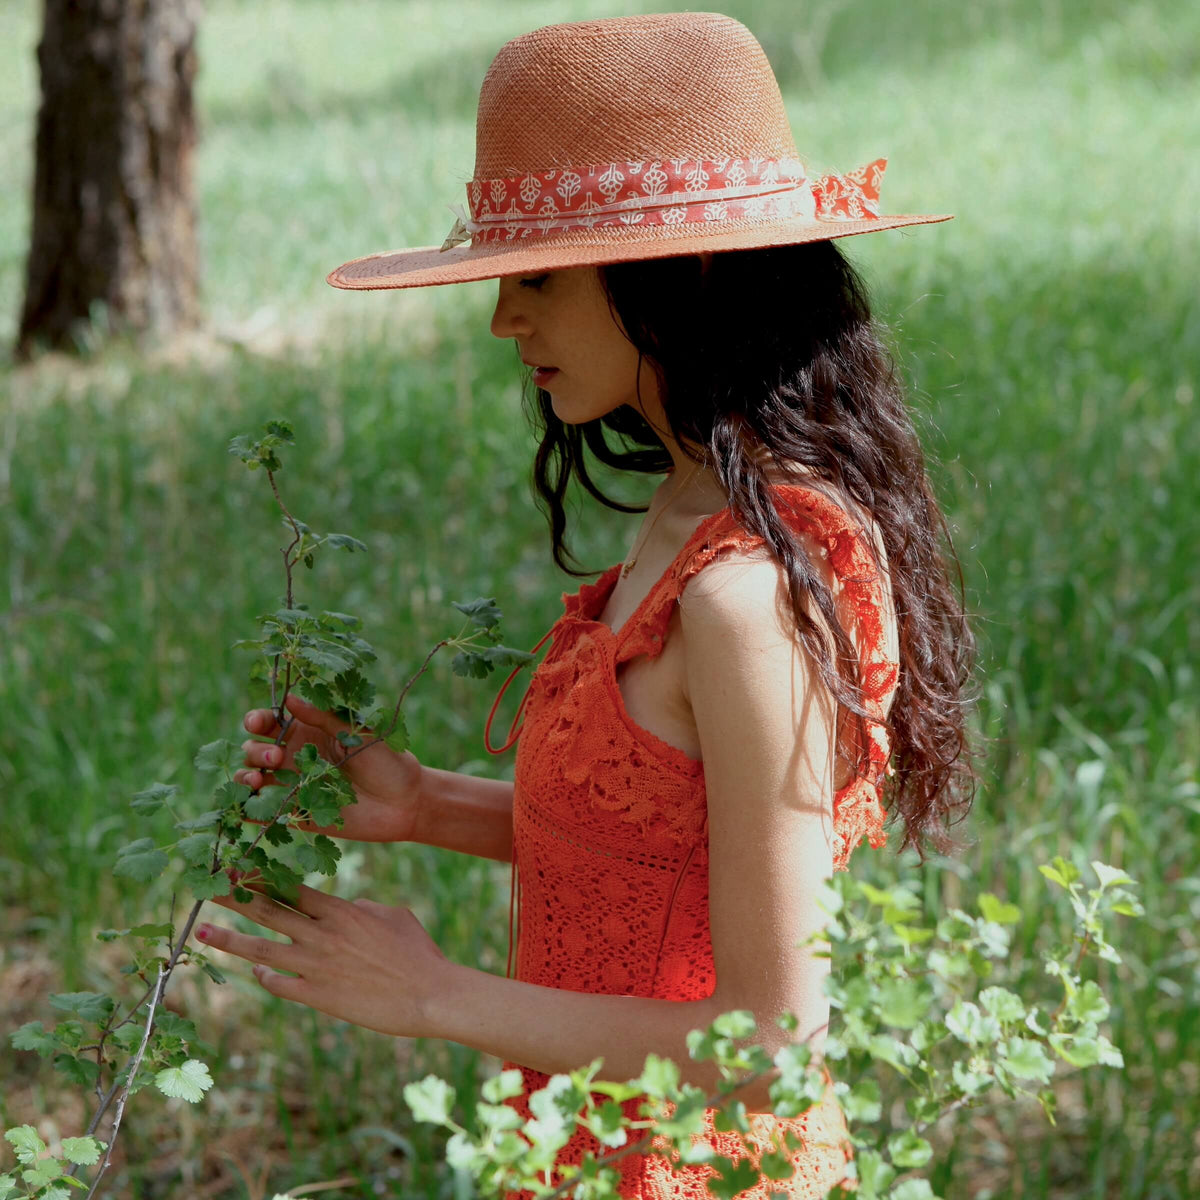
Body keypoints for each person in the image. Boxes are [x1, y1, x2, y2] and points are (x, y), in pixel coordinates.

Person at [196, 12, 975, 1198]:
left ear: (682, 271)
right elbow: (658, 839)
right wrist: (422, 802)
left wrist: (436, 995)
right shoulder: (684, 513)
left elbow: (771, 1047)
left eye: (541, 278)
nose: (507, 319)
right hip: (578, 1155)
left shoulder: (749, 597)